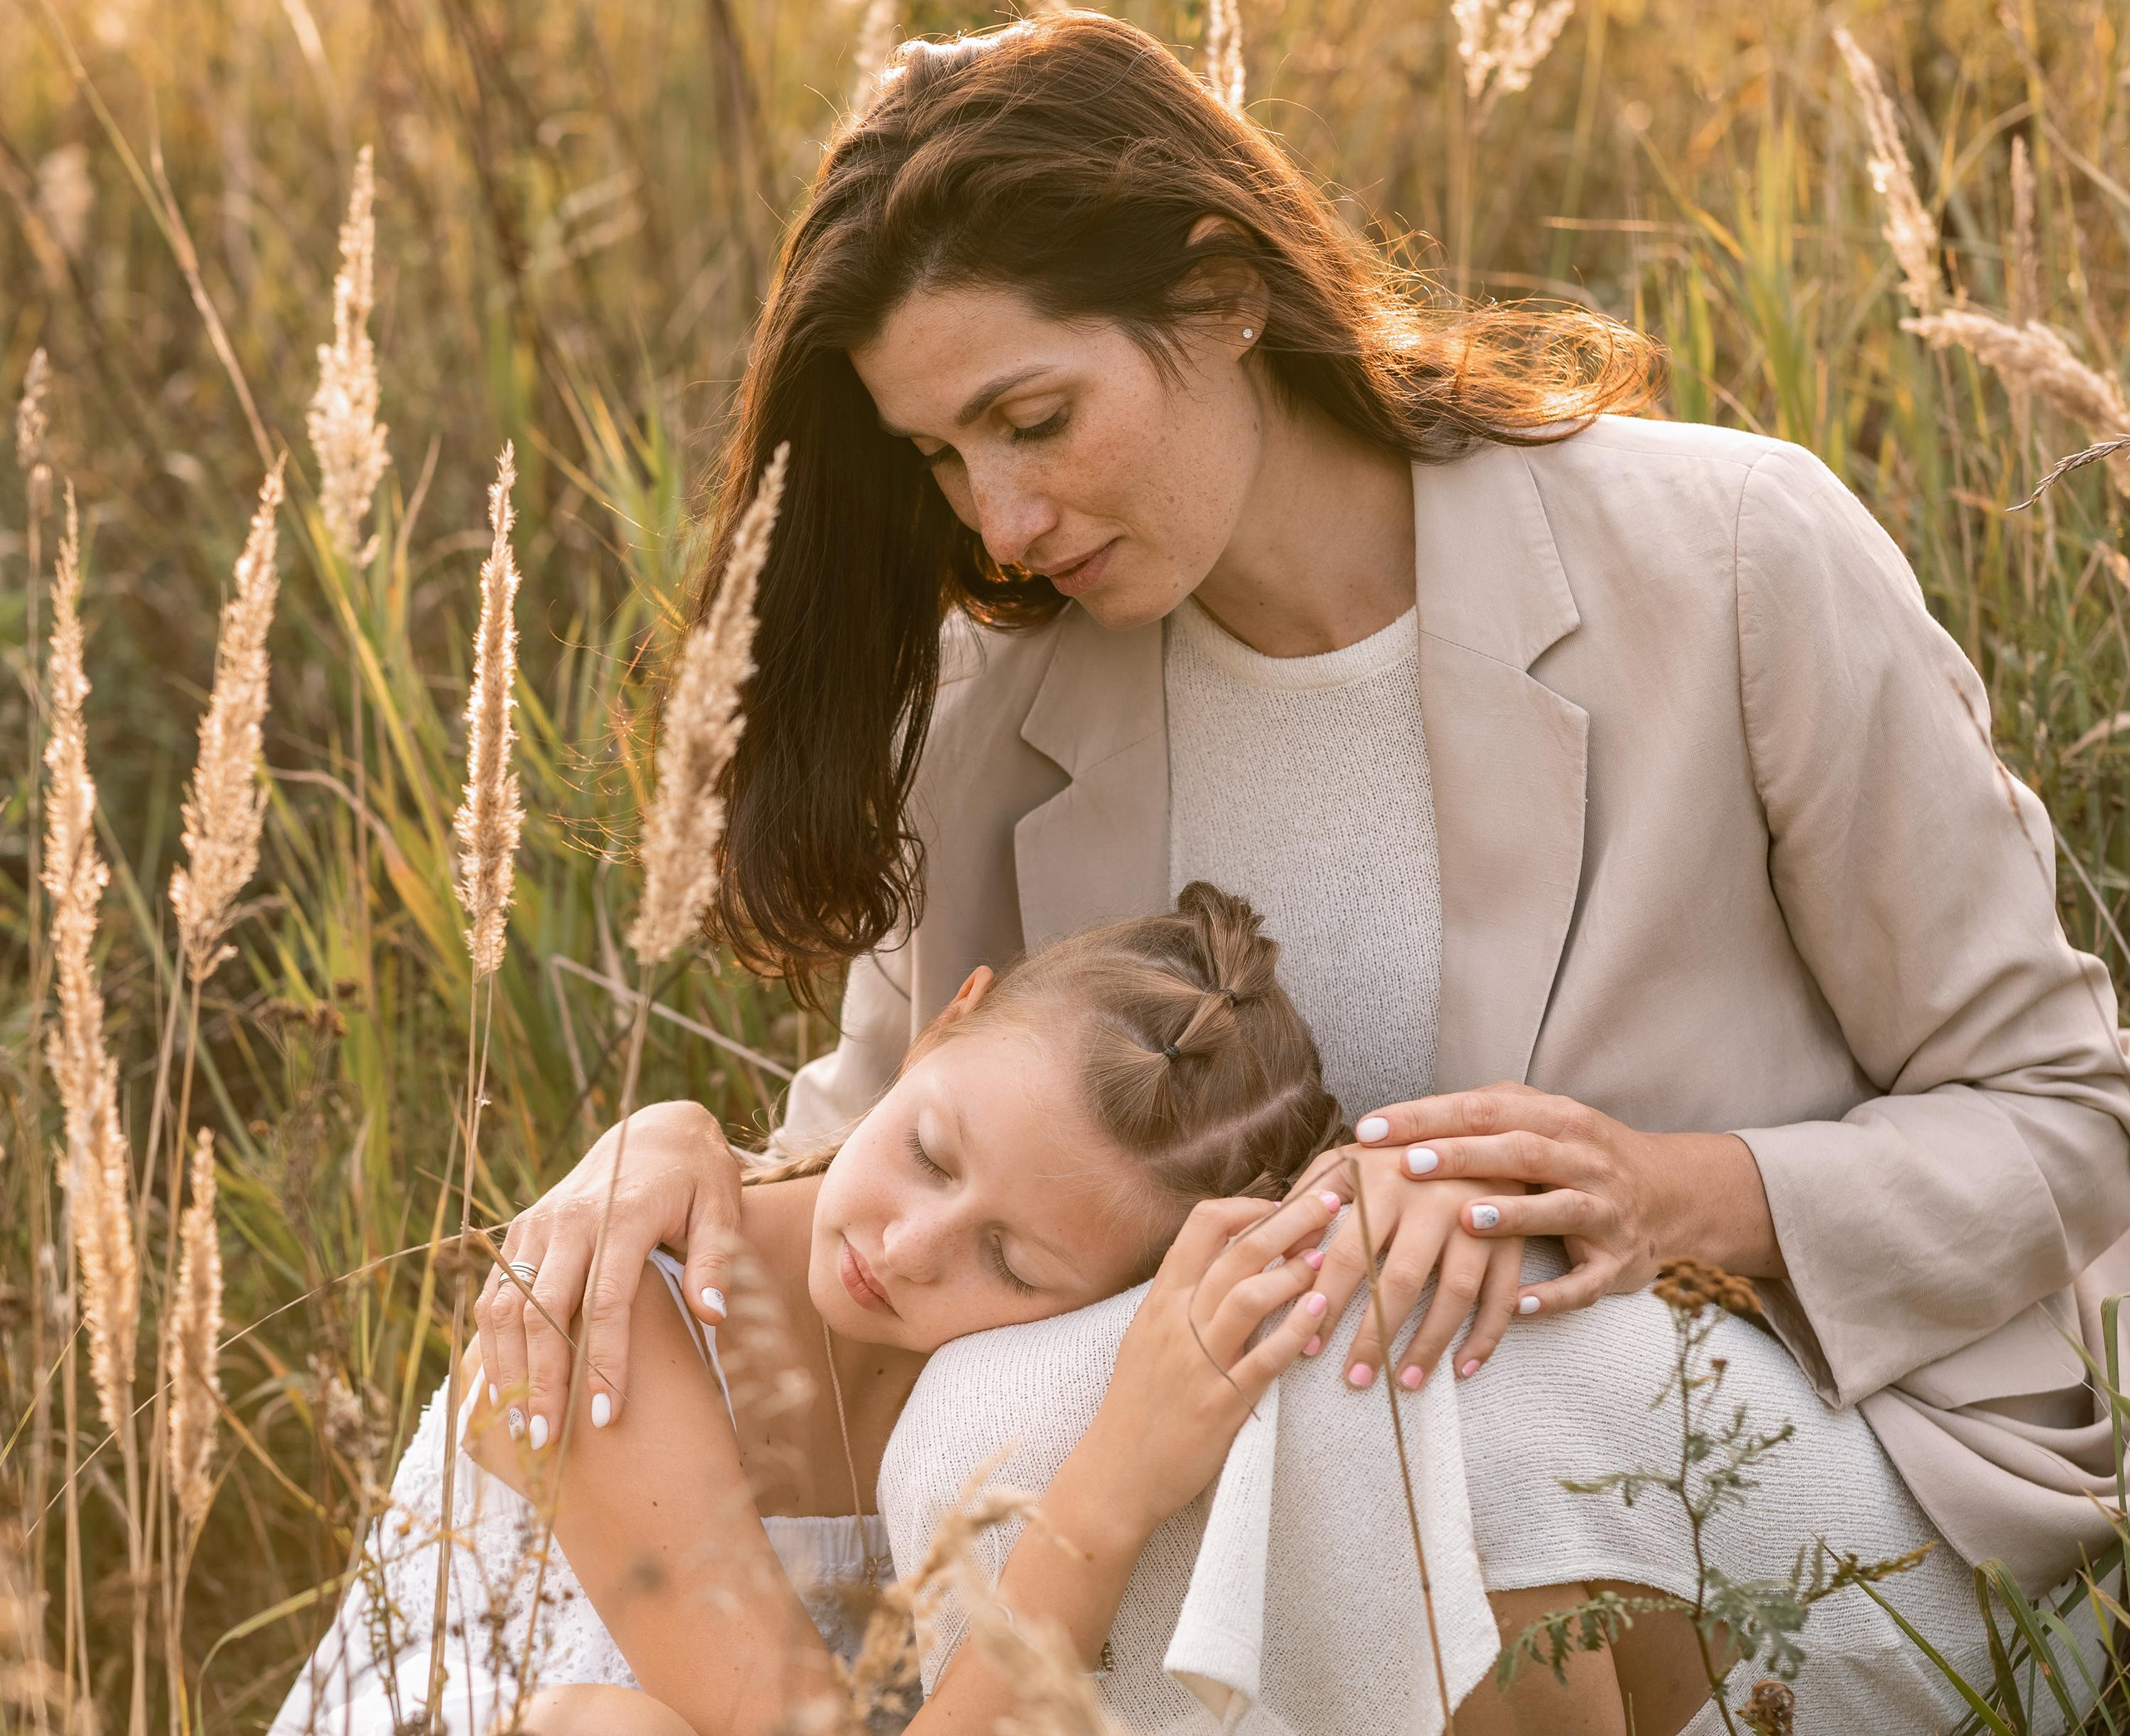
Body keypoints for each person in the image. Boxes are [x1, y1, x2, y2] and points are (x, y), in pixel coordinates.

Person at [490, 9, 2130, 1732]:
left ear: (1220, 290)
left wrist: (1669, 1194)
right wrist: (665, 1153)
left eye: (1033, 417)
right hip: (1308, 1496)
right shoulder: (1002, 699)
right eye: (939, 459)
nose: (1000, 521)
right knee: (999, 1421)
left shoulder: (1729, 555)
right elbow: (902, 1169)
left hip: (1797, 1475)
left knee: (1402, 1367)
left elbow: (2067, 1117)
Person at [275, 886, 1478, 1735]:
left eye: (1010, 1263)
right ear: (941, 1025)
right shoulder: (627, 1296)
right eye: (934, 1155)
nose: (904, 1249)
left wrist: (1376, 1180)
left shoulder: (973, 1402)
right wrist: (1109, 1493)